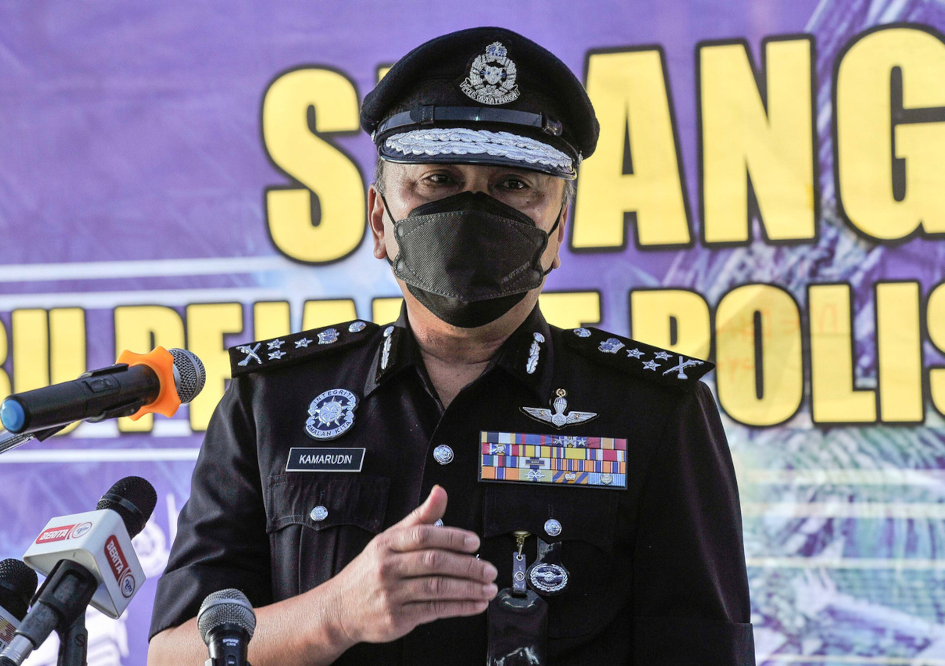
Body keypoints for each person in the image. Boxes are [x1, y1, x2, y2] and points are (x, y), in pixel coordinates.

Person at [148, 26, 754, 665]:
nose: (474, 209)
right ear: (381, 219)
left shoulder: (654, 414)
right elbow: (173, 654)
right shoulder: (272, 402)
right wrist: (336, 614)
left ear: (557, 232)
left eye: (514, 186)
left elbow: (707, 650)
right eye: (438, 179)